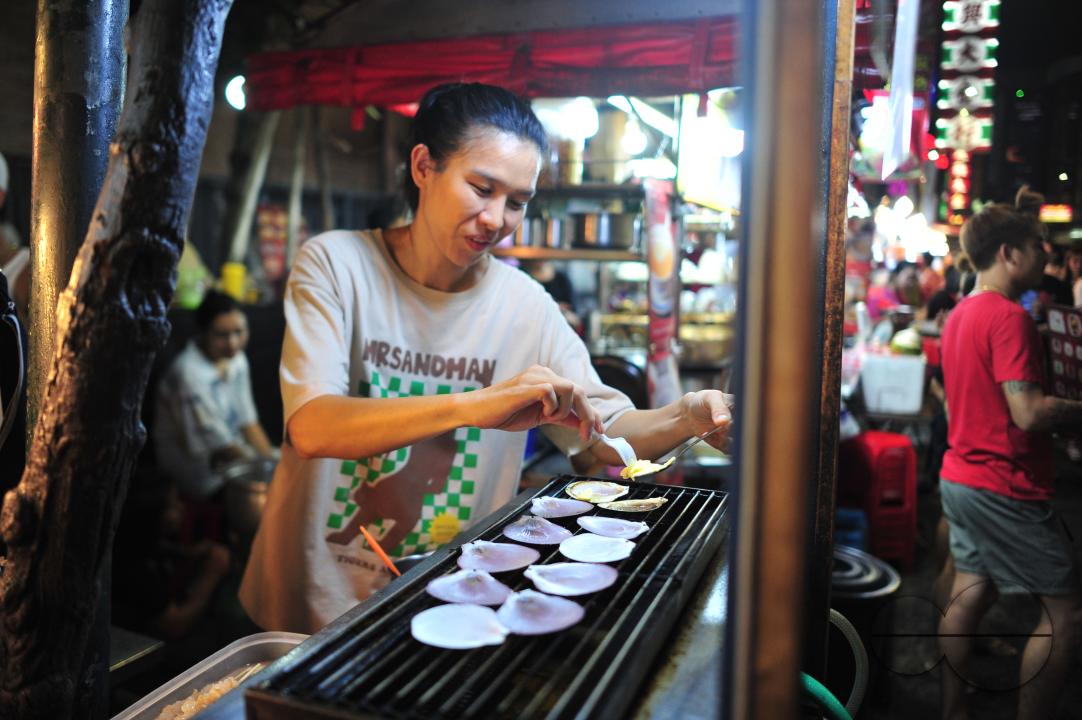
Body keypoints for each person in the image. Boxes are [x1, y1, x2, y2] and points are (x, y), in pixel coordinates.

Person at [239, 83, 733, 633]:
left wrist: (686, 417)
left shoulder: (526, 306)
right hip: (308, 597)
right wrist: (474, 405)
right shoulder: (337, 264)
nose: (497, 219)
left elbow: (605, 432)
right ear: (424, 166)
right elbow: (313, 426)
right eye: (481, 188)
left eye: (518, 202)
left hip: (448, 597)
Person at [937, 200, 1082, 720]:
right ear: (1008, 254)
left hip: (961, 476)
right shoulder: (1008, 317)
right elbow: (1028, 412)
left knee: (969, 591)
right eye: (1036, 251)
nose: (1045, 262)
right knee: (1067, 615)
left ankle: (952, 711)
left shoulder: (958, 315)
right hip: (1003, 483)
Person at [153, 290, 277, 500]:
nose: (233, 343)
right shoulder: (189, 375)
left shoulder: (236, 360)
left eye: (239, 332)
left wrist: (271, 461)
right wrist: (267, 469)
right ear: (203, 332)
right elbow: (220, 446)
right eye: (222, 335)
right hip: (198, 467)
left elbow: (248, 421)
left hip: (232, 452)